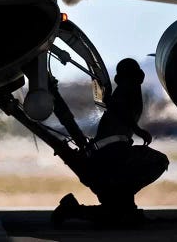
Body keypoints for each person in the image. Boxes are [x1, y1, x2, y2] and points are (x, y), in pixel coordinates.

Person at [53, 58, 169, 227]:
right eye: (131, 77)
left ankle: (79, 208)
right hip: (110, 156)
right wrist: (137, 129)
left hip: (108, 157)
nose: (135, 80)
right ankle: (79, 208)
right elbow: (118, 109)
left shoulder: (126, 93)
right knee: (158, 161)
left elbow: (115, 108)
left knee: (118, 212)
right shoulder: (125, 93)